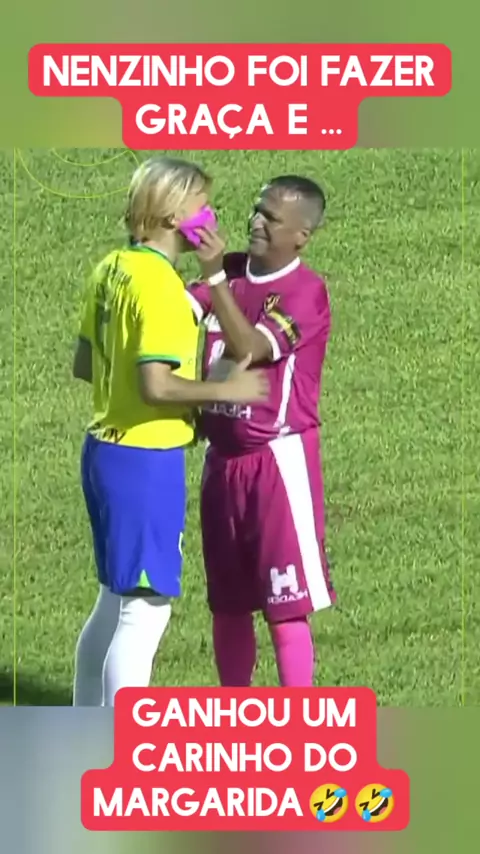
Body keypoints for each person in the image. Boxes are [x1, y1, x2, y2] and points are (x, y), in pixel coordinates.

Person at [72, 157, 268, 706]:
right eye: (202, 204)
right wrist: (224, 391)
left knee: (113, 601)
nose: (211, 214)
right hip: (145, 461)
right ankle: (117, 741)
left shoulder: (111, 268)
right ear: (173, 214)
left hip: (103, 450)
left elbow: (85, 364)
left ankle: (83, 724)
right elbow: (157, 385)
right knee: (145, 612)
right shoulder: (160, 286)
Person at [187, 174, 335, 688]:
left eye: (271, 218)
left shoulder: (306, 293)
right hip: (222, 464)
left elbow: (249, 346)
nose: (256, 221)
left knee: (285, 606)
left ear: (301, 235)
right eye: (256, 210)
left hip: (277, 464)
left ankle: (298, 721)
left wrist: (214, 277)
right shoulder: (228, 273)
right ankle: (236, 712)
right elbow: (174, 311)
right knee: (228, 605)